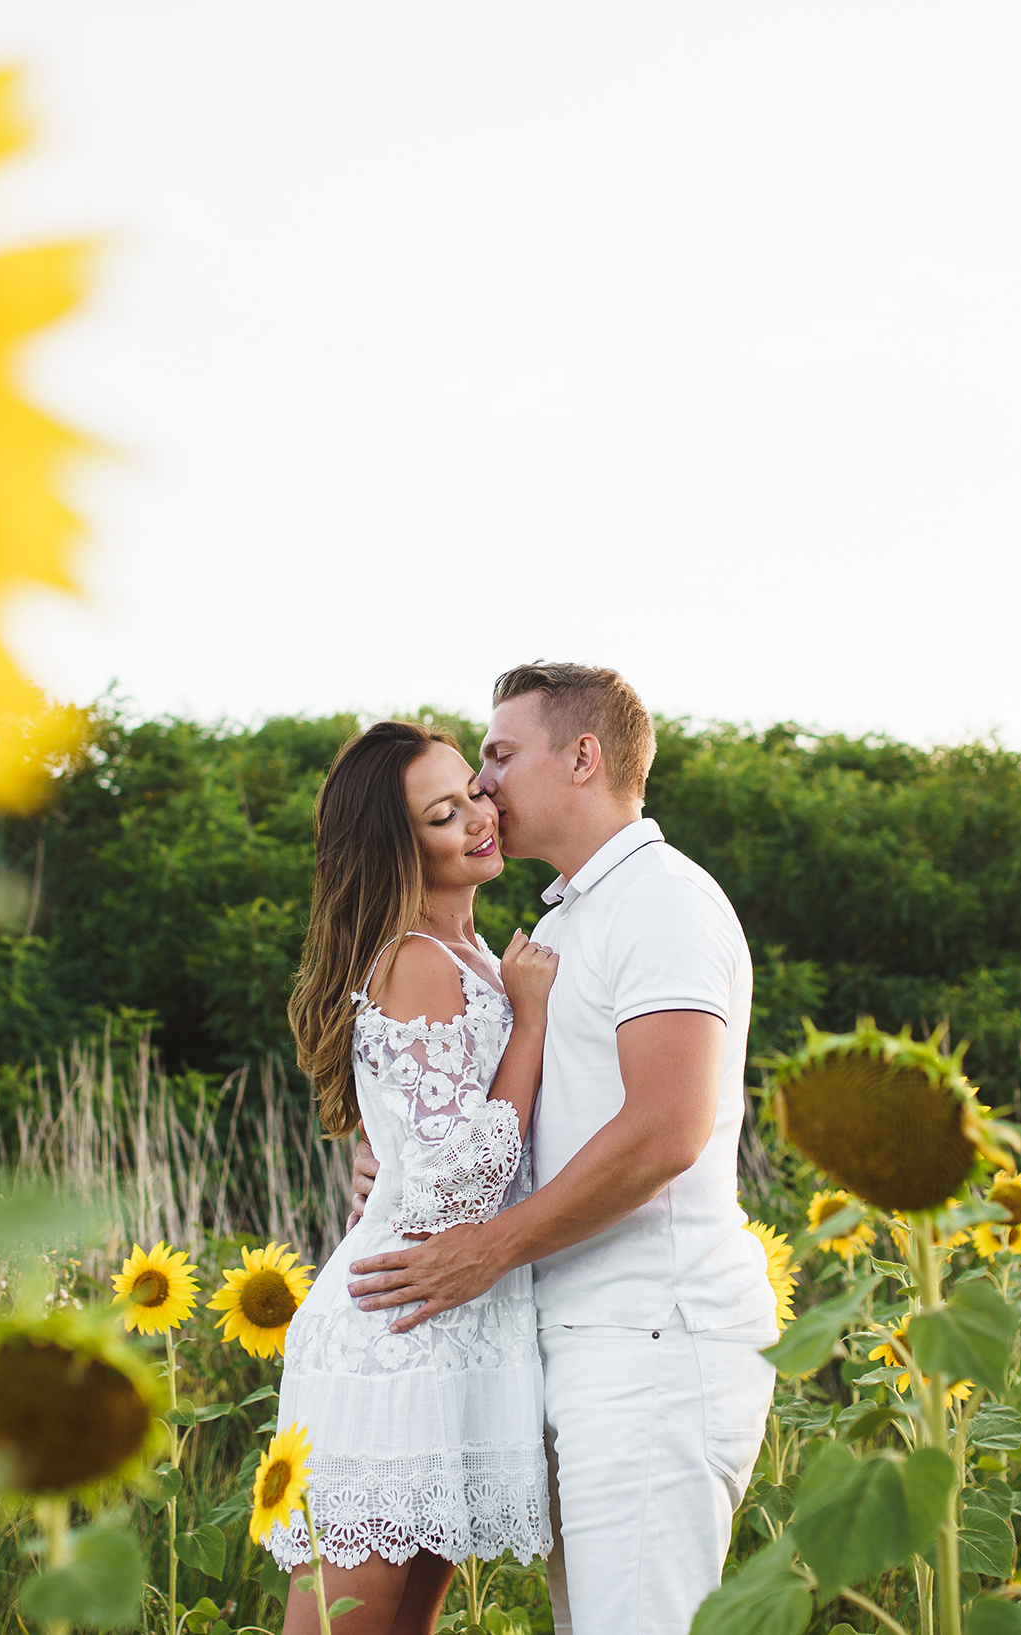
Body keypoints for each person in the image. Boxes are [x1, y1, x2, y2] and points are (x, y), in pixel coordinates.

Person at [347, 663, 775, 1635]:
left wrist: (486, 1249)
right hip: (582, 1338)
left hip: (654, 1338)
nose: (483, 782)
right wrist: (400, 1167)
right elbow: (523, 1116)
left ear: (583, 757)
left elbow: (666, 1128)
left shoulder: (663, 901)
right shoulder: (561, 918)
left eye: (500, 754)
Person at [271, 719, 563, 1634]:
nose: (479, 817)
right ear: (399, 848)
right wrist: (530, 1022)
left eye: (472, 792)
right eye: (443, 815)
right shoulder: (416, 961)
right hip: (395, 1336)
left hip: (454, 1330)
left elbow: (420, 1140)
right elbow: (457, 1192)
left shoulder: (474, 956)